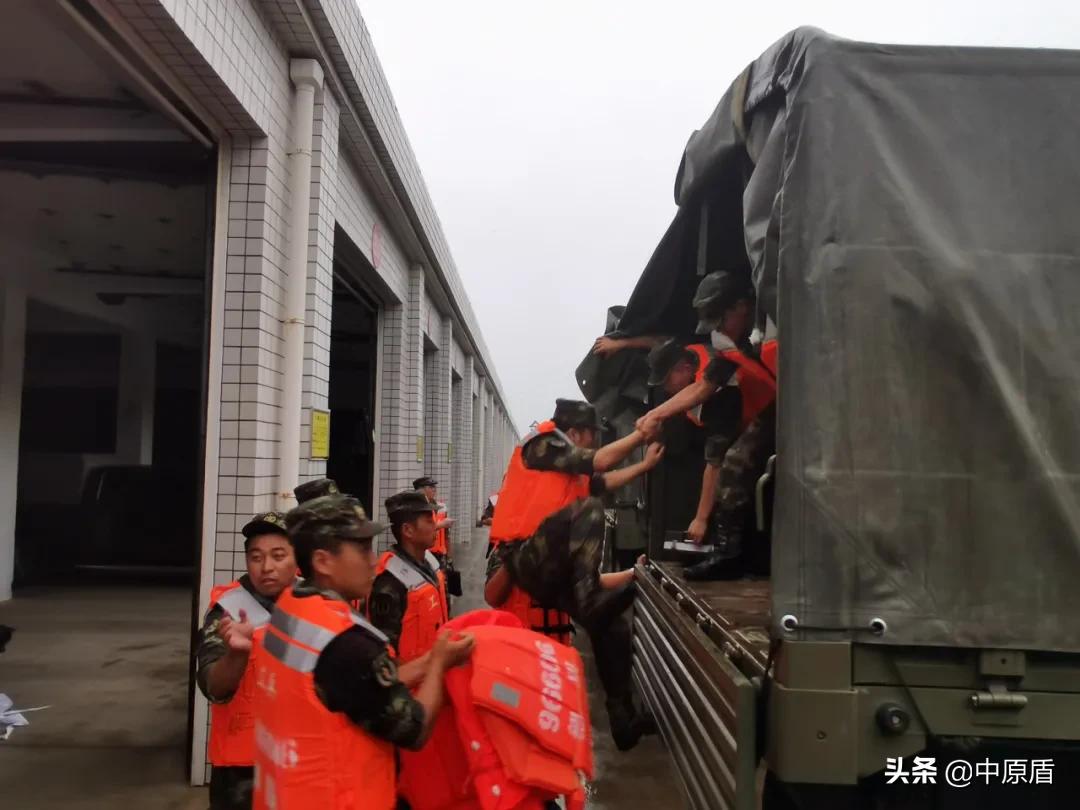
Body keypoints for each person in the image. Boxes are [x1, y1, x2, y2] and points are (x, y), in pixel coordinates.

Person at [250, 491, 474, 810]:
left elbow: (360, 689)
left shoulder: (292, 609)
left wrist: (431, 658)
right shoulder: (347, 645)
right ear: (323, 561)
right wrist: (439, 665)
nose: (373, 560)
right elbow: (414, 728)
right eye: (362, 548)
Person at [489, 398, 664, 750]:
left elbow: (603, 480)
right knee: (590, 510)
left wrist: (643, 467)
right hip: (519, 555)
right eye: (591, 435)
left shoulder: (566, 475)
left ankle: (622, 718)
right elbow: (600, 463)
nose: (595, 443)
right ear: (573, 433)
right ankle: (589, 600)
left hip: (543, 566)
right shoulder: (542, 444)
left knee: (613, 625)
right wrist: (639, 436)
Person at [636, 270, 777, 580]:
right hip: (776, 403)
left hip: (786, 403)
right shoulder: (729, 345)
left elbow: (715, 461)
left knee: (734, 464)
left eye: (720, 319)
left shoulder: (773, 319)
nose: (719, 329)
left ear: (740, 306)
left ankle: (729, 556)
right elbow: (701, 388)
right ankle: (741, 554)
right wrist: (655, 415)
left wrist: (701, 519)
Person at [195, 511, 295, 810]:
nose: (267, 567)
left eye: (278, 556)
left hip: (301, 763)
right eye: (256, 557)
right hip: (242, 775)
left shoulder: (314, 604)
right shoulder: (228, 611)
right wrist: (237, 655)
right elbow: (213, 687)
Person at [367, 490, 449, 661]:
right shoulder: (389, 582)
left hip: (435, 673)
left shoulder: (429, 561)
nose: (436, 525)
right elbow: (384, 655)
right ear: (408, 530)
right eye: (429, 520)